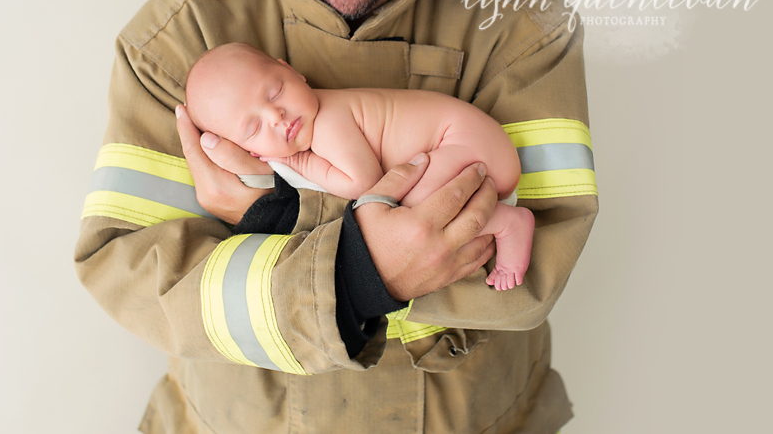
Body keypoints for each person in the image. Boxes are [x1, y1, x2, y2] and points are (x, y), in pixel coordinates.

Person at [75, 0, 598, 433]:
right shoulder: (176, 42)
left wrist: (284, 224)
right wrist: (354, 271)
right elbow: (126, 270)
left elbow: (534, 272)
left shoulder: (520, 30)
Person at [184, 42, 535, 290]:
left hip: (467, 143)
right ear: (248, 150)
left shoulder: (328, 121)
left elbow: (361, 184)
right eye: (254, 128)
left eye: (275, 92)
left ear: (292, 71)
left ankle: (508, 224)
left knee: (411, 209)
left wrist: (299, 160)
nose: (276, 116)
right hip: (476, 144)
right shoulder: (321, 116)